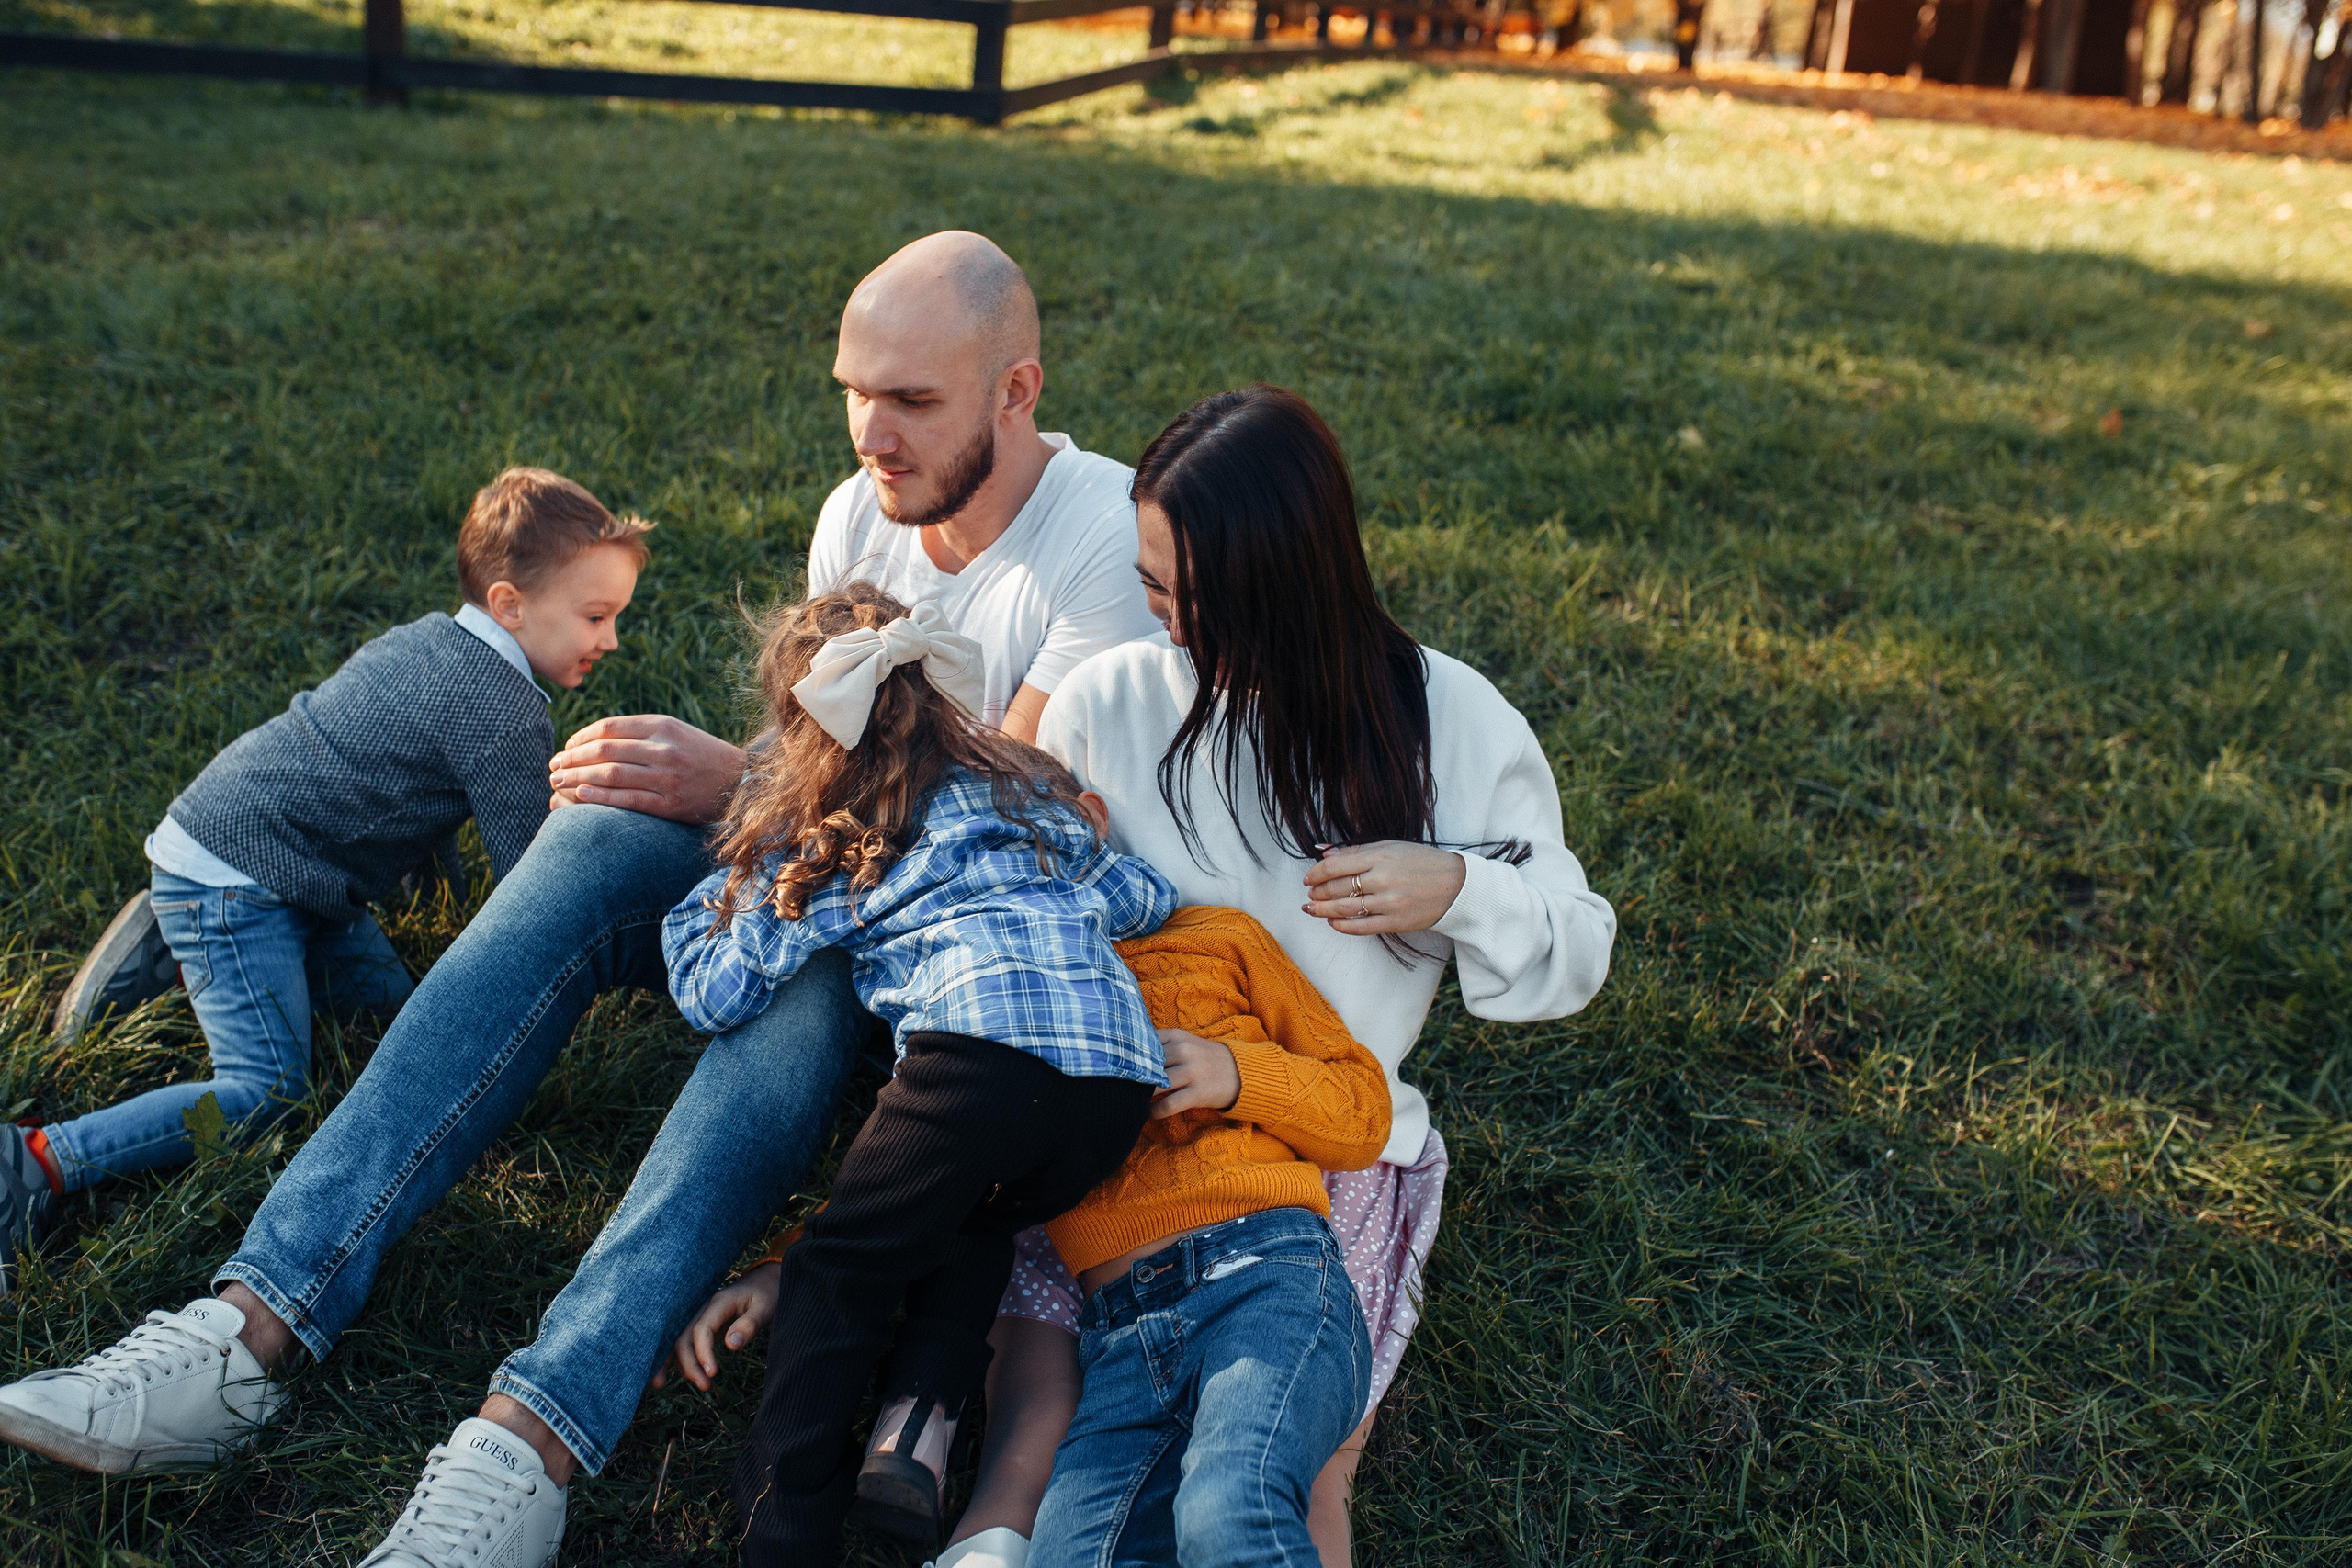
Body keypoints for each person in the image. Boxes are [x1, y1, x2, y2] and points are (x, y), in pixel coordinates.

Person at [0, 232, 1160, 1568]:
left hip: (963, 990)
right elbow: (831, 765)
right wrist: (741, 797)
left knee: (802, 978)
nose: (872, 435)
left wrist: (739, 781)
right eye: (855, 389)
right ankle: (255, 1319)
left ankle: (528, 1436)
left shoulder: (1100, 542)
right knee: (604, 831)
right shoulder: (863, 507)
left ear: (1016, 390)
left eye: (914, 401)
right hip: (850, 861)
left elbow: (1002, 816)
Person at [928, 384, 1619, 1568]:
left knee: (1284, 1481)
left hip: (1323, 1151)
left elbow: (1575, 944)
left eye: (1205, 601)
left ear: (1301, 581)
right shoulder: (1114, 698)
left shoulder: (1444, 718)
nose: (1173, 625)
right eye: (1151, 586)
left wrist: (1454, 882)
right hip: (1128, 1146)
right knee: (1050, 1438)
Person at [3, 468, 648, 1294]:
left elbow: (402, 786)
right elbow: (537, 882)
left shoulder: (425, 638)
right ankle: (39, 1159)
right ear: (511, 603)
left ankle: (182, 936)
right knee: (267, 1093)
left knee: (387, 1016)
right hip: (241, 883)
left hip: (282, 860)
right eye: (596, 617)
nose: (613, 640)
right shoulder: (503, 707)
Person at [663, 583, 1175, 1565]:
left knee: (840, 1270)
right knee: (972, 1218)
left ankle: (783, 1529)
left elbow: (717, 994)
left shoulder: (835, 831)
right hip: (1113, 1090)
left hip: (974, 1063)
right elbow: (1143, 901)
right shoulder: (1026, 791)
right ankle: (916, 1434)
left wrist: (709, 906)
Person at [673, 897, 1394, 1568]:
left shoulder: (1215, 937)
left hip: (1264, 1272)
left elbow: (1366, 1108)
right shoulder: (984, 978)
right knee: (1070, 1550)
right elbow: (916, 1168)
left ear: (1088, 817)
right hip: (1123, 1337)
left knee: (1224, 1502)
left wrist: (1238, 1072)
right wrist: (781, 1263)